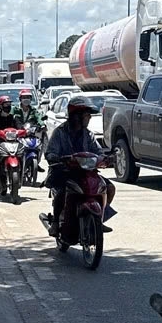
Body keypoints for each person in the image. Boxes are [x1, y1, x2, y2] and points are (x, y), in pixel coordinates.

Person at [44, 95, 115, 236]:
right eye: (86, 115)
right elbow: (50, 152)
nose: (89, 118)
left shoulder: (88, 135)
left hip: (86, 172)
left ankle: (99, 219)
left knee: (109, 188)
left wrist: (105, 159)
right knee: (62, 192)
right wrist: (57, 159)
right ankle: (56, 222)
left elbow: (97, 151)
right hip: (64, 172)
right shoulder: (60, 132)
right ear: (76, 115)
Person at [0, 96, 23, 183]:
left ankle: (22, 172)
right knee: (0, 161)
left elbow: (20, 127)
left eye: (9, 104)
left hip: (14, 143)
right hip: (0, 143)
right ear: (1, 106)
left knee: (21, 154)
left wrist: (24, 131)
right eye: (6, 104)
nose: (8, 106)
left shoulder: (13, 117)